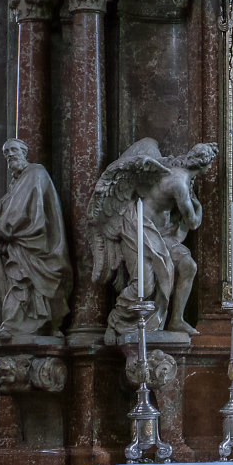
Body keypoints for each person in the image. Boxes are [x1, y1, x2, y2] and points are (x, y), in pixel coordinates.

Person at [89, 139, 218, 340]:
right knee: (143, 286)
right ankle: (116, 320)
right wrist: (199, 208)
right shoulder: (180, 183)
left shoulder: (176, 172)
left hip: (162, 234)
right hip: (139, 229)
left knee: (188, 266)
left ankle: (176, 319)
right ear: (205, 166)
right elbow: (192, 222)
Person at [0, 139, 72, 344]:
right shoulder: (17, 182)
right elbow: (7, 203)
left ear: (24, 152)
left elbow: (19, 210)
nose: (9, 154)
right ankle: (15, 325)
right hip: (21, 245)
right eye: (6, 152)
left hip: (37, 244)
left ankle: (23, 325)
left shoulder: (35, 172)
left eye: (13, 150)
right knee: (19, 283)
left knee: (27, 283)